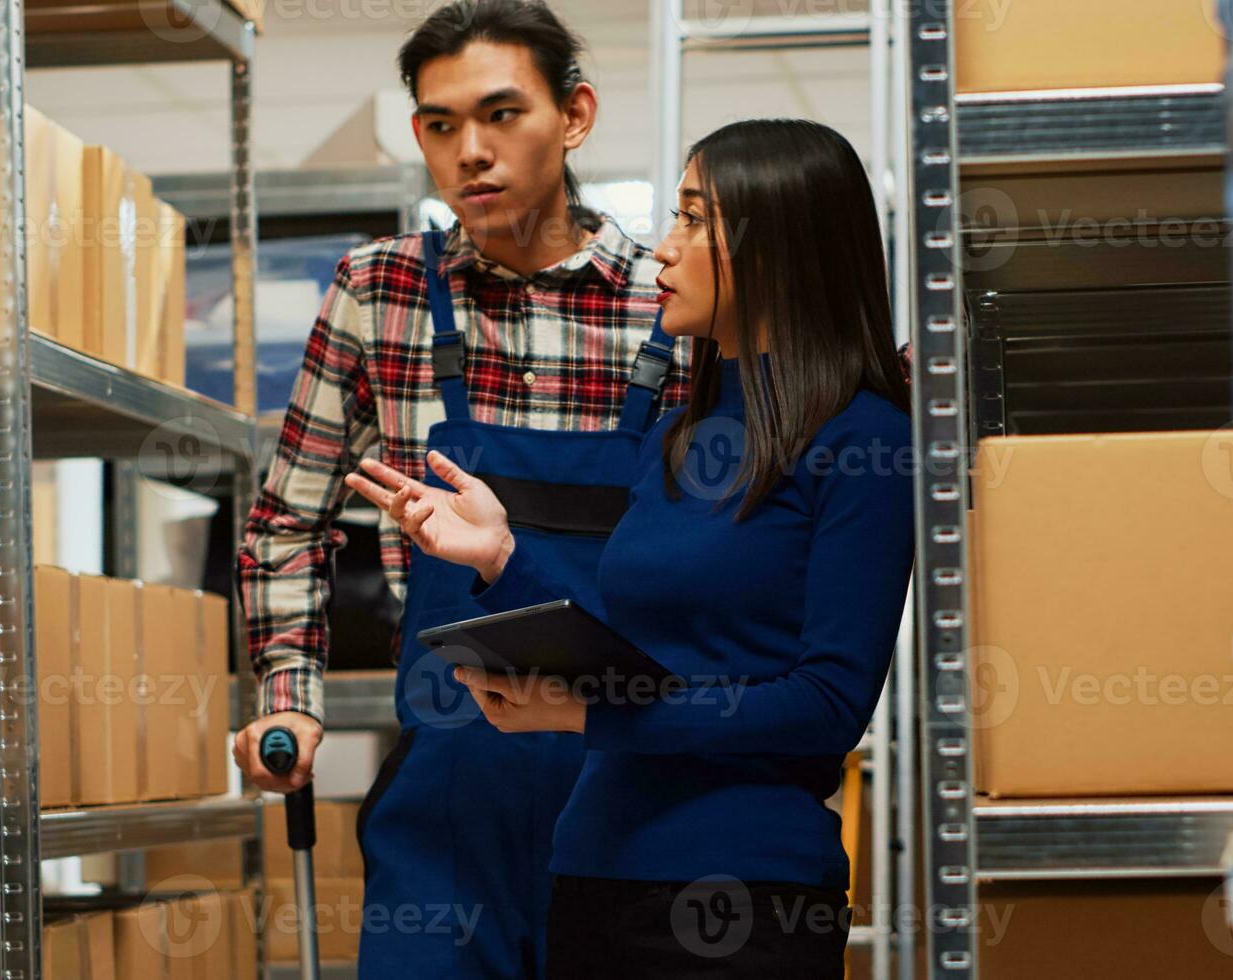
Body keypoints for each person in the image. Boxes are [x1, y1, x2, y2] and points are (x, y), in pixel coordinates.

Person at [347, 118, 917, 979]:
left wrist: (590, 716)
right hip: (591, 873)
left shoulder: (865, 440)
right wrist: (500, 559)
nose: (663, 249)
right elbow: (627, 649)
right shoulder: (678, 435)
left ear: (777, 245)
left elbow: (825, 704)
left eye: (694, 219)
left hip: (742, 893)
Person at [230, 2, 691, 976]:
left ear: (574, 115)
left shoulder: (674, 302)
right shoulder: (376, 291)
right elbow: (284, 519)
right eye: (440, 126)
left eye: (500, 115)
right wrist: (290, 694)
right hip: (448, 791)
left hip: (637, 786)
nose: (469, 152)